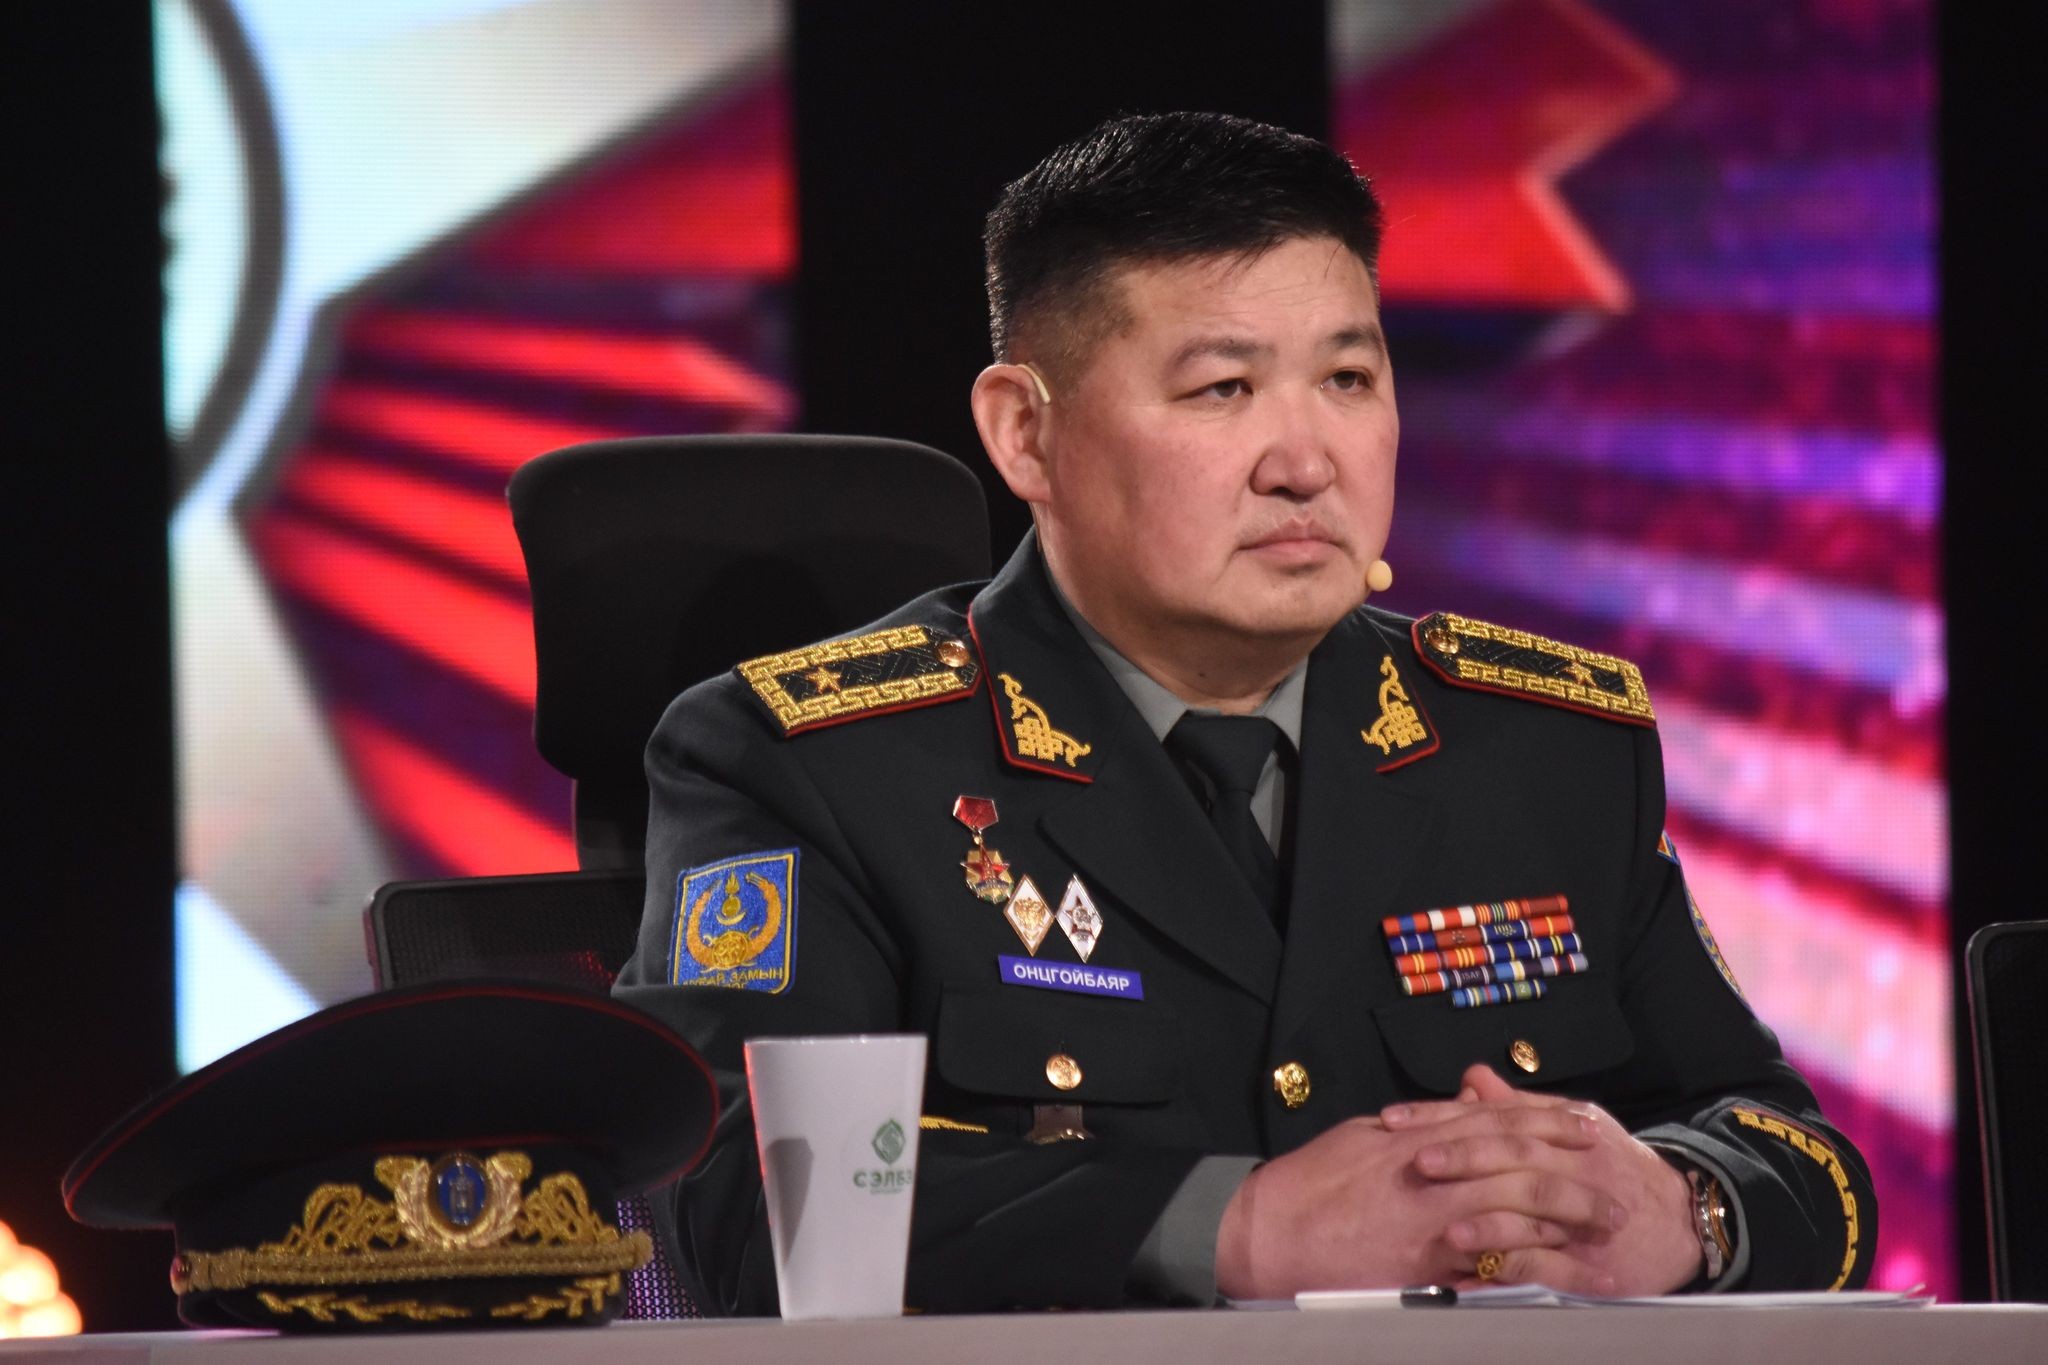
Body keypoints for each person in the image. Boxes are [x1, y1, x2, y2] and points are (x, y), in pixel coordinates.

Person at [611, 111, 1874, 1313]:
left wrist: (1684, 1210)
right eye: (1222, 389)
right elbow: (746, 1205)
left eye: (1347, 377)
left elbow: (1799, 1156)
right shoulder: (810, 764)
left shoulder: (1545, 750)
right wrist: (1231, 1228)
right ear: (1025, 435)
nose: (1306, 462)